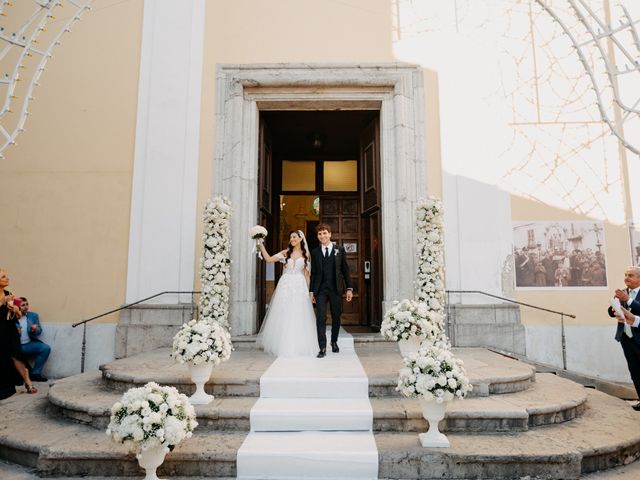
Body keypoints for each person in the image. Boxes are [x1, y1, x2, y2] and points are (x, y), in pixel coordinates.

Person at [255, 230, 318, 357]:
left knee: (299, 313)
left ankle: (298, 344)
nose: (292, 239)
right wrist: (260, 244)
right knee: (284, 312)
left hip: (300, 286)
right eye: (290, 237)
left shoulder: (306, 255)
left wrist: (310, 292)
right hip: (286, 285)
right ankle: (281, 343)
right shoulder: (285, 253)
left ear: (301, 238)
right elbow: (268, 259)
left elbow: (307, 275)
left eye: (294, 237)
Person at [309, 224, 353, 358]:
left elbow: (345, 270)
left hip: (336, 289)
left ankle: (334, 341)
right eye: (320, 234)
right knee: (321, 317)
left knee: (336, 317)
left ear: (330, 234)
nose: (322, 236)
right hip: (320, 290)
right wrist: (311, 291)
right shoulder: (315, 252)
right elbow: (314, 273)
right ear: (317, 236)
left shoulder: (339, 250)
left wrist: (349, 289)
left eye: (324, 233)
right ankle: (322, 347)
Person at [0, 269, 37, 399]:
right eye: (4, 277)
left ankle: (28, 383)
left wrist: (16, 310)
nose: (7, 278)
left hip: (10, 331)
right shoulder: (5, 297)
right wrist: (2, 302)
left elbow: (19, 315)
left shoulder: (9, 294)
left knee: (17, 355)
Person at [607, 266, 640, 410]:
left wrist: (629, 301)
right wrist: (613, 308)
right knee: (635, 371)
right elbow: (610, 312)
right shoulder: (622, 292)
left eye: (630, 275)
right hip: (626, 338)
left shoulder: (627, 295)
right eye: (625, 275)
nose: (626, 278)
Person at [17, 297, 50, 382]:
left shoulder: (33, 315)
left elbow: (39, 331)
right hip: (16, 346)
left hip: (28, 344)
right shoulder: (12, 317)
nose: (26, 307)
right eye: (23, 305)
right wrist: (17, 332)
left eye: (27, 304)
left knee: (45, 348)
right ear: (17, 307)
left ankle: (35, 374)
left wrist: (34, 330)